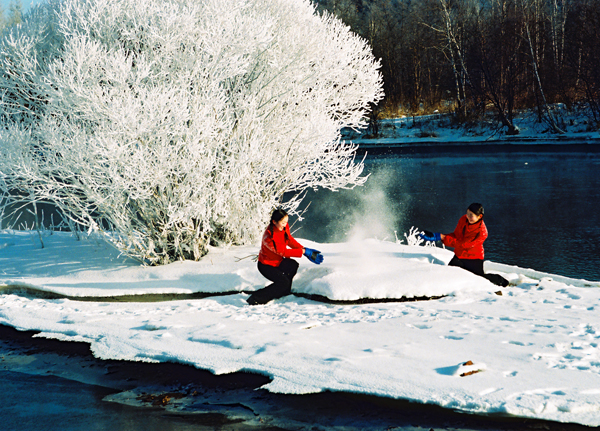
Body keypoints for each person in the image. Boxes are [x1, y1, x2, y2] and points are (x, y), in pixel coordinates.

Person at [419, 203, 508, 287]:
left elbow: (464, 244)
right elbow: (456, 236)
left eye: (471, 215)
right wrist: (437, 236)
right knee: (448, 276)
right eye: (467, 213)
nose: (468, 217)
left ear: (480, 216)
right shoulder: (463, 219)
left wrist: (441, 237)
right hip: (460, 255)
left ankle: (500, 280)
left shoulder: (482, 233)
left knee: (479, 280)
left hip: (474, 258)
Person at [248, 208, 324, 305]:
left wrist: (304, 249)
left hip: (277, 262)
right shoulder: (269, 238)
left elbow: (289, 239)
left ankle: (283, 292)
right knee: (283, 283)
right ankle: (256, 298)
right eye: (283, 222)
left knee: (293, 265)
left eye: (286, 222)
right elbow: (283, 252)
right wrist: (303, 252)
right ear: (274, 222)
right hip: (266, 266)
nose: (285, 225)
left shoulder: (283, 227)